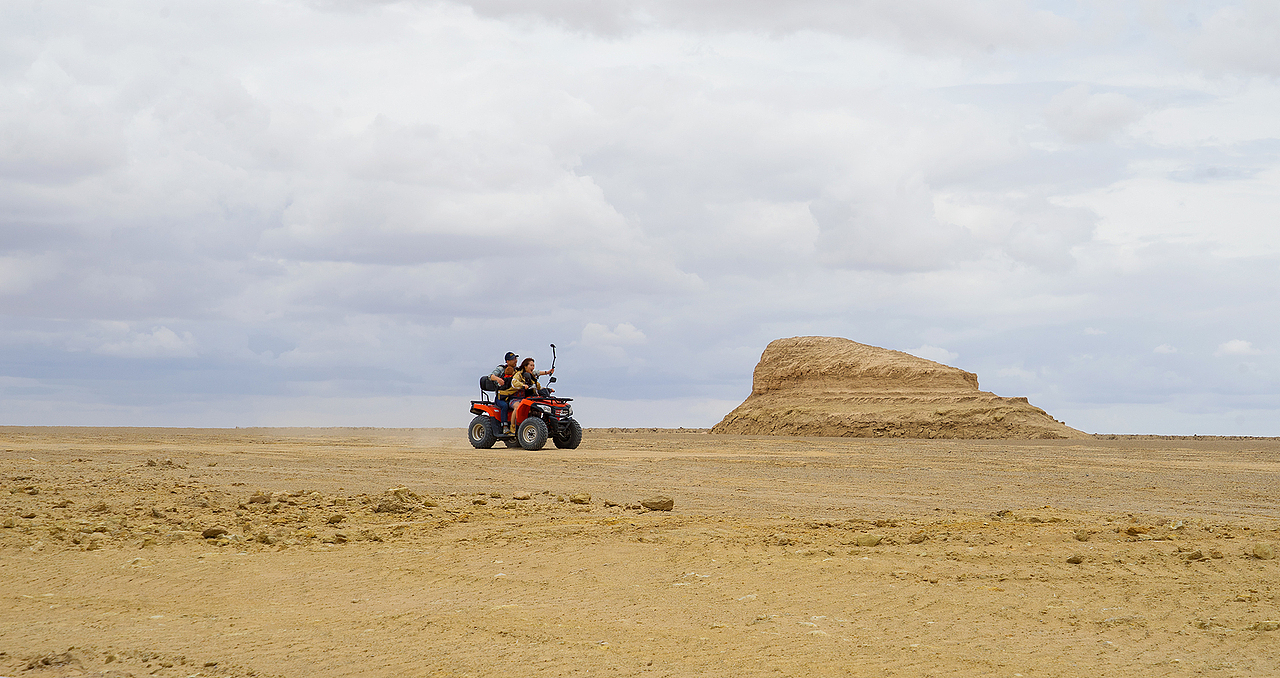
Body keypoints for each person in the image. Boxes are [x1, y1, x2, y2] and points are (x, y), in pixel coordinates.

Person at [500, 358, 554, 429]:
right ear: (525, 366)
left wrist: (547, 390)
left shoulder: (531, 376)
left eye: (533, 365)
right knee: (517, 407)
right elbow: (514, 383)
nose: (533, 367)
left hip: (525, 399)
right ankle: (512, 427)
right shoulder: (519, 374)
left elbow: (537, 386)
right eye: (531, 365)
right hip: (515, 398)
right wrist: (522, 385)